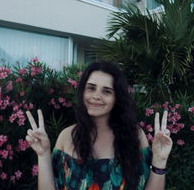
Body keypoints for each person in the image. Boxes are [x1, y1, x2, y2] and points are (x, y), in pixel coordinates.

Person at [26, 61, 173, 190]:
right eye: (91, 88)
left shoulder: (134, 136)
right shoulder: (67, 136)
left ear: (117, 98)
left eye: (107, 91)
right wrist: (43, 154)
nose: (96, 96)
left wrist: (160, 160)